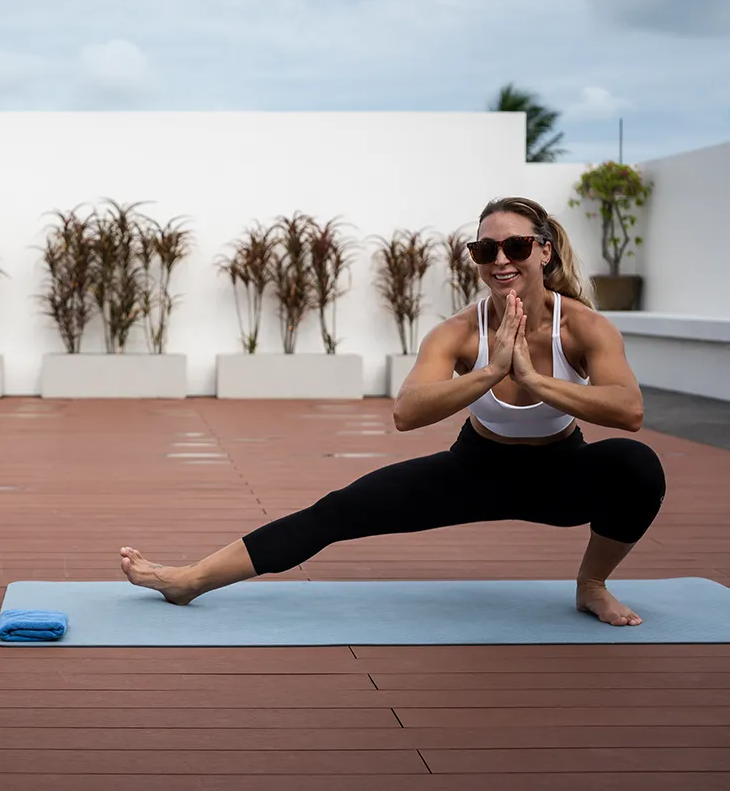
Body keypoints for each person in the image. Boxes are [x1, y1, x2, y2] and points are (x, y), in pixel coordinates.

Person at [121, 195, 666, 627]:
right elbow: (407, 412)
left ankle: (591, 586)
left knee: (637, 466)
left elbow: (629, 409)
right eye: (485, 250)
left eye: (517, 246)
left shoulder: (585, 327)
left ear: (544, 251)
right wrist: (491, 371)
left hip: (561, 475)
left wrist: (533, 380)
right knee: (336, 511)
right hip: (475, 471)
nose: (501, 260)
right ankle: (189, 580)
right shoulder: (458, 332)